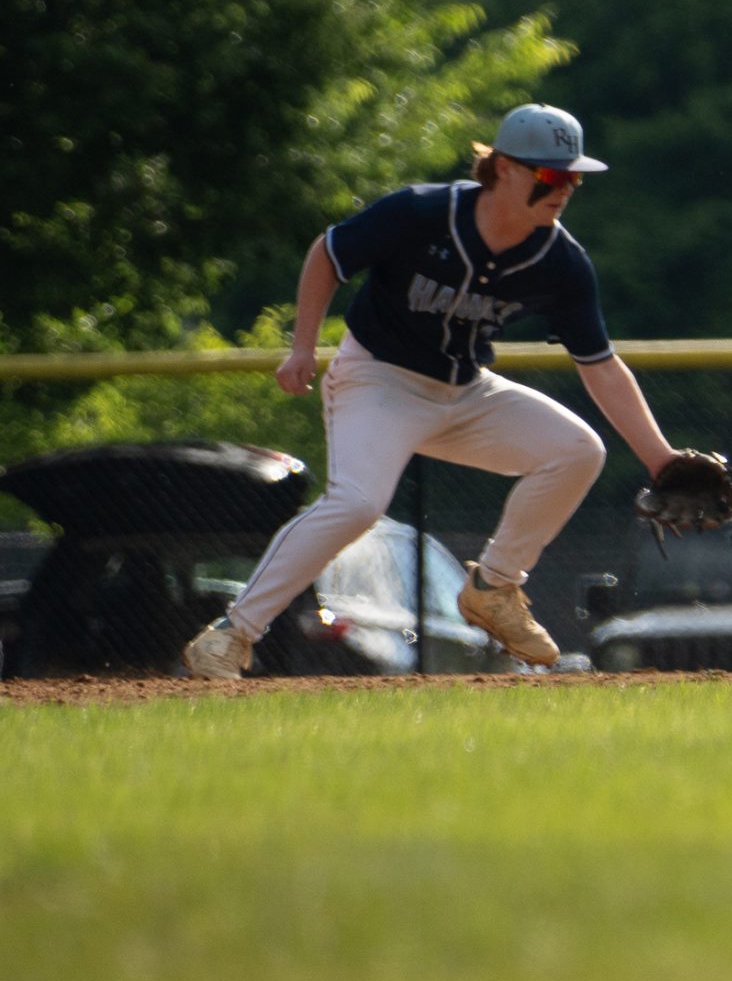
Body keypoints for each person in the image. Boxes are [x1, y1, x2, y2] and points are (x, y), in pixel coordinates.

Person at [183, 104, 682, 678]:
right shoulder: (423, 212)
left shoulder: (561, 261)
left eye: (573, 177)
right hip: (378, 381)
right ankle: (232, 633)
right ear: (503, 168)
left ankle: (493, 587)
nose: (564, 188)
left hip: (465, 393)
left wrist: (659, 459)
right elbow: (328, 253)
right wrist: (302, 346)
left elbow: (600, 365)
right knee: (358, 503)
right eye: (550, 174)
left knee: (577, 451)